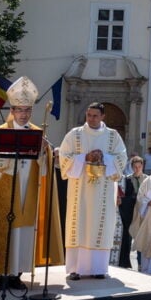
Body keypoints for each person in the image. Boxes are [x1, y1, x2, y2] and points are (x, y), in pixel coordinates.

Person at [0, 77, 64, 289]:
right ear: (12, 110)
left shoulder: (38, 133)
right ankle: (2, 273)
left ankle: (17, 273)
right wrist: (3, 159)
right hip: (5, 188)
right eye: (19, 110)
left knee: (24, 230)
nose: (24, 114)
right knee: (5, 227)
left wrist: (46, 150)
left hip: (28, 189)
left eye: (27, 110)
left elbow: (45, 165)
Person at [58, 102, 128, 280]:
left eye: (95, 115)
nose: (91, 119)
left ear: (103, 116)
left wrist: (104, 157)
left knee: (100, 225)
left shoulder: (113, 136)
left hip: (103, 192)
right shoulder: (75, 134)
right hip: (79, 190)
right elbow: (64, 157)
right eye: (89, 115)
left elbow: (122, 158)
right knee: (79, 224)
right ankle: (75, 269)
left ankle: (98, 269)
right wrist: (84, 157)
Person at [119, 156, 145, 268]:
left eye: (139, 166)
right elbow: (124, 196)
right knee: (127, 236)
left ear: (142, 166)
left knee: (142, 237)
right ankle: (125, 262)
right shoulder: (127, 179)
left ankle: (141, 262)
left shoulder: (148, 179)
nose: (137, 169)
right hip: (129, 212)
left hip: (143, 213)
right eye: (135, 167)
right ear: (132, 167)